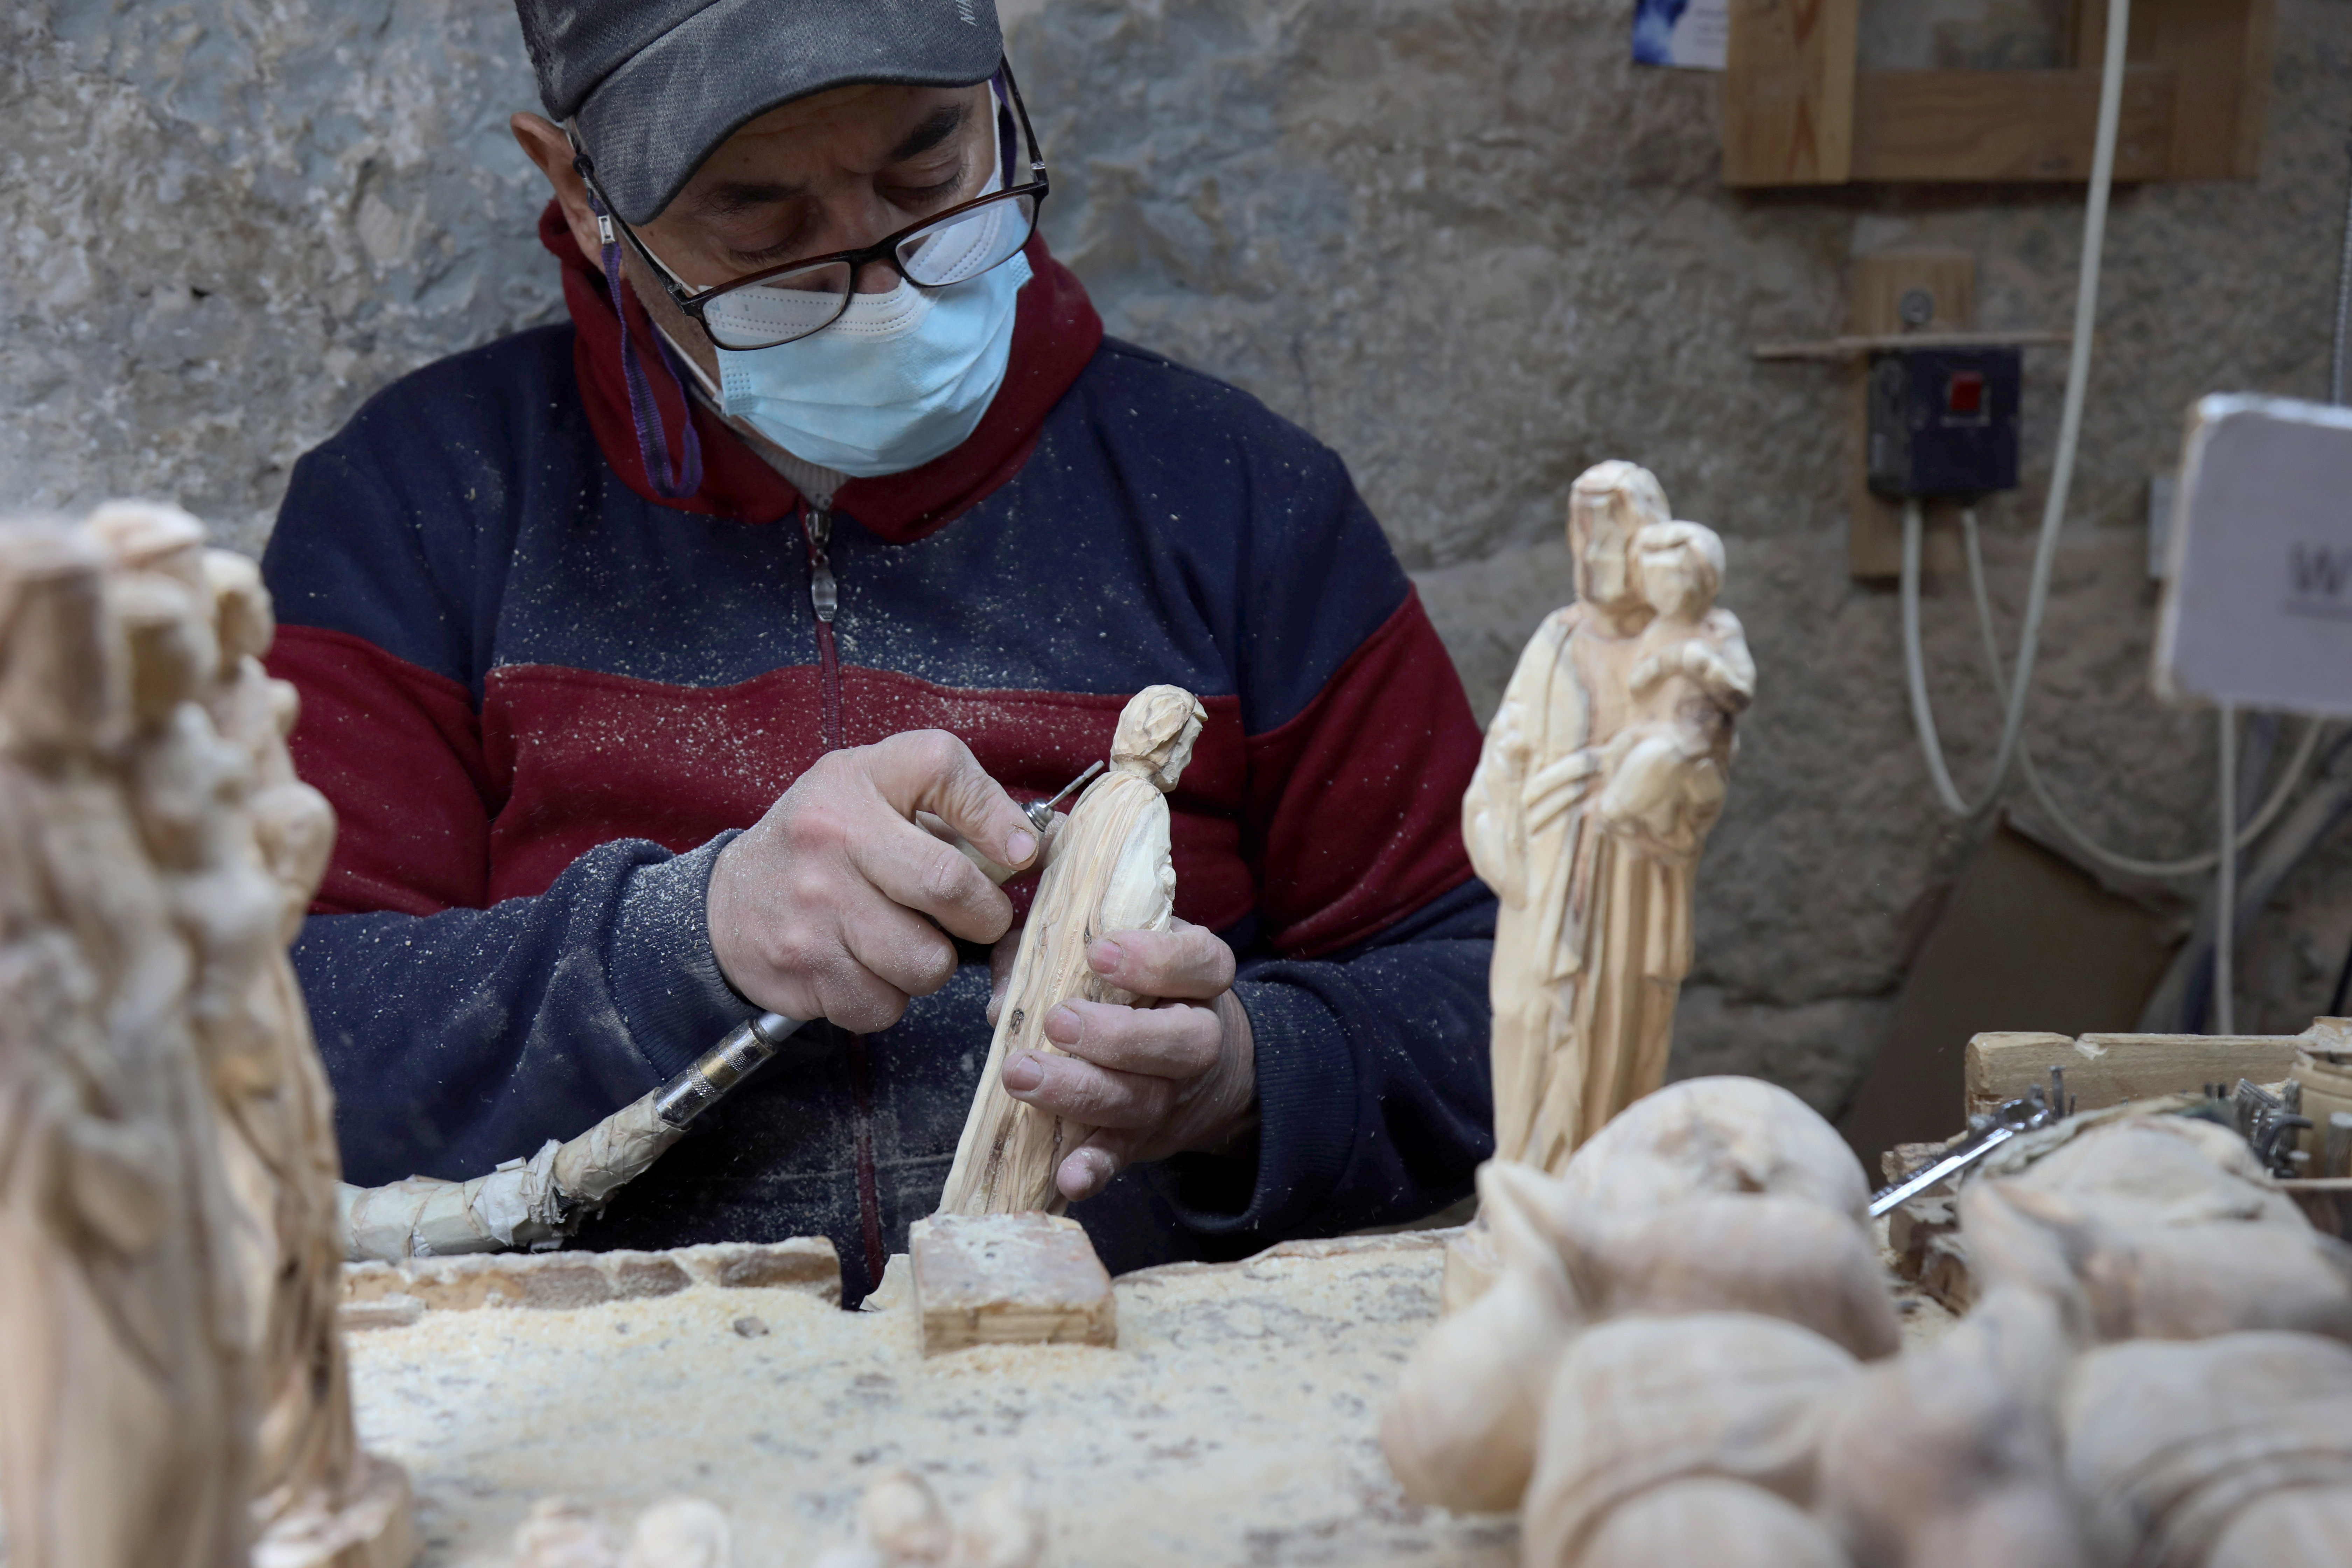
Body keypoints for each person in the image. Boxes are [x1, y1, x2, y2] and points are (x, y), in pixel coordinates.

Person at [262, 0, 1495, 1303]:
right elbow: (250, 1036)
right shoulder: (419, 509)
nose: (882, 281)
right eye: (764, 220)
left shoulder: (1242, 499)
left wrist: (1247, 1078)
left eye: (927, 172)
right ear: (580, 192)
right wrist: (689, 941)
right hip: (614, 1434)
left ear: (1004, 97)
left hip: (1122, 1421)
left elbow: (1497, 996)